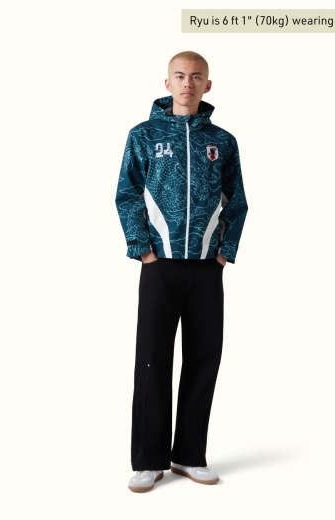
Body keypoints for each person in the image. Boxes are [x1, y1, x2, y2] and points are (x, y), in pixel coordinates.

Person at [115, 50, 249, 492]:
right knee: (152, 360)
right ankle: (148, 460)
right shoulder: (143, 135)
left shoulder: (223, 141)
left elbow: (237, 200)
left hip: (206, 269)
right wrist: (142, 250)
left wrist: (224, 253)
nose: (187, 83)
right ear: (167, 82)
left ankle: (189, 455)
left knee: (204, 357)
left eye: (195, 76)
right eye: (180, 76)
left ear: (207, 85)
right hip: (159, 266)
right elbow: (127, 194)